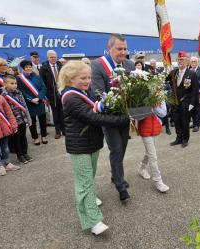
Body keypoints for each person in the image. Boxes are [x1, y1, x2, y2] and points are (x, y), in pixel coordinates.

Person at [60, 60, 129, 235]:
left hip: (91, 143)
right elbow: (93, 117)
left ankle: (89, 199)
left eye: (89, 77)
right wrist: (121, 119)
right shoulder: (70, 97)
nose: (87, 81)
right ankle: (93, 220)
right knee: (83, 183)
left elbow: (99, 107)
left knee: (88, 178)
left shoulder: (84, 91)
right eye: (83, 77)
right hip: (80, 145)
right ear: (70, 78)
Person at [89, 33, 135, 201]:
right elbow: (97, 93)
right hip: (108, 117)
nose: (123, 52)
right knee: (115, 149)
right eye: (119, 49)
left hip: (125, 117)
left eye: (125, 48)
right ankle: (120, 186)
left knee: (121, 148)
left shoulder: (129, 64)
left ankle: (115, 174)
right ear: (110, 48)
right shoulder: (97, 65)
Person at [167, 51, 199, 148]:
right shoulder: (174, 72)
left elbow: (195, 90)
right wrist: (167, 69)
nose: (180, 61)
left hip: (186, 102)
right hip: (175, 102)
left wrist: (192, 104)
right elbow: (165, 79)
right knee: (176, 121)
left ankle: (185, 139)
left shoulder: (191, 74)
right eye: (178, 60)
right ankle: (178, 138)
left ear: (187, 61)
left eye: (182, 60)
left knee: (185, 122)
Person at [137, 102, 169, 192]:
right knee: (153, 156)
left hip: (155, 128)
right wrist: (147, 107)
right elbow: (138, 115)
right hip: (145, 128)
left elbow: (163, 113)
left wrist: (154, 107)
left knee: (150, 152)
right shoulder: (140, 95)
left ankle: (142, 168)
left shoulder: (159, 95)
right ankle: (158, 180)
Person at [0, 81, 21, 176]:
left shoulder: (0, 98)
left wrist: (13, 124)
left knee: (5, 146)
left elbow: (9, 112)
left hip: (4, 127)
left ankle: (7, 163)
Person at [2, 75, 33, 163]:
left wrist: (28, 118)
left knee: (23, 137)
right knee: (16, 139)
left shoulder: (19, 92)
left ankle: (25, 152)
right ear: (5, 84)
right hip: (13, 122)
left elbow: (24, 106)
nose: (14, 85)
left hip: (22, 119)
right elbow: (5, 111)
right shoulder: (4, 96)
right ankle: (20, 155)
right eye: (11, 83)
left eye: (15, 83)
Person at [17, 60, 48, 145]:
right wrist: (31, 99)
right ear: (23, 68)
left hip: (39, 101)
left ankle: (44, 135)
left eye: (30, 66)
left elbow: (44, 88)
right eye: (26, 67)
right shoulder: (19, 78)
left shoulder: (37, 76)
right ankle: (35, 138)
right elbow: (21, 91)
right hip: (29, 103)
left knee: (42, 120)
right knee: (32, 122)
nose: (28, 68)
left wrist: (38, 98)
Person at [40, 50, 65, 139]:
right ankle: (57, 131)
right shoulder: (44, 68)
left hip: (61, 93)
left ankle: (64, 130)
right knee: (55, 113)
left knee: (62, 112)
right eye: (51, 57)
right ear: (48, 58)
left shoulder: (60, 65)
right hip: (52, 95)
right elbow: (42, 83)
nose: (53, 58)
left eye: (55, 57)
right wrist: (46, 96)